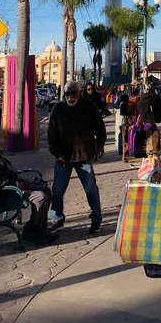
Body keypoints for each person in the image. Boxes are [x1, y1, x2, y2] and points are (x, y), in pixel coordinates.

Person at [0, 124, 56, 245]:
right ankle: (35, 233)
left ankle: (35, 229)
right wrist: (16, 184)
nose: (0, 137)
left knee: (46, 190)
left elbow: (8, 171)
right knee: (40, 197)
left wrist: (21, 181)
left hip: (11, 188)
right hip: (2, 194)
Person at [48, 80, 106, 234]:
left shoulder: (89, 106)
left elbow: (100, 127)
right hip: (63, 158)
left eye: (73, 93)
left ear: (80, 93)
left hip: (84, 155)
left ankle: (96, 219)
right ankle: (57, 218)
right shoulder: (58, 109)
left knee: (91, 188)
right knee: (57, 190)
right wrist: (57, 154)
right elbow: (52, 135)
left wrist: (100, 145)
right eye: (67, 94)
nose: (70, 96)